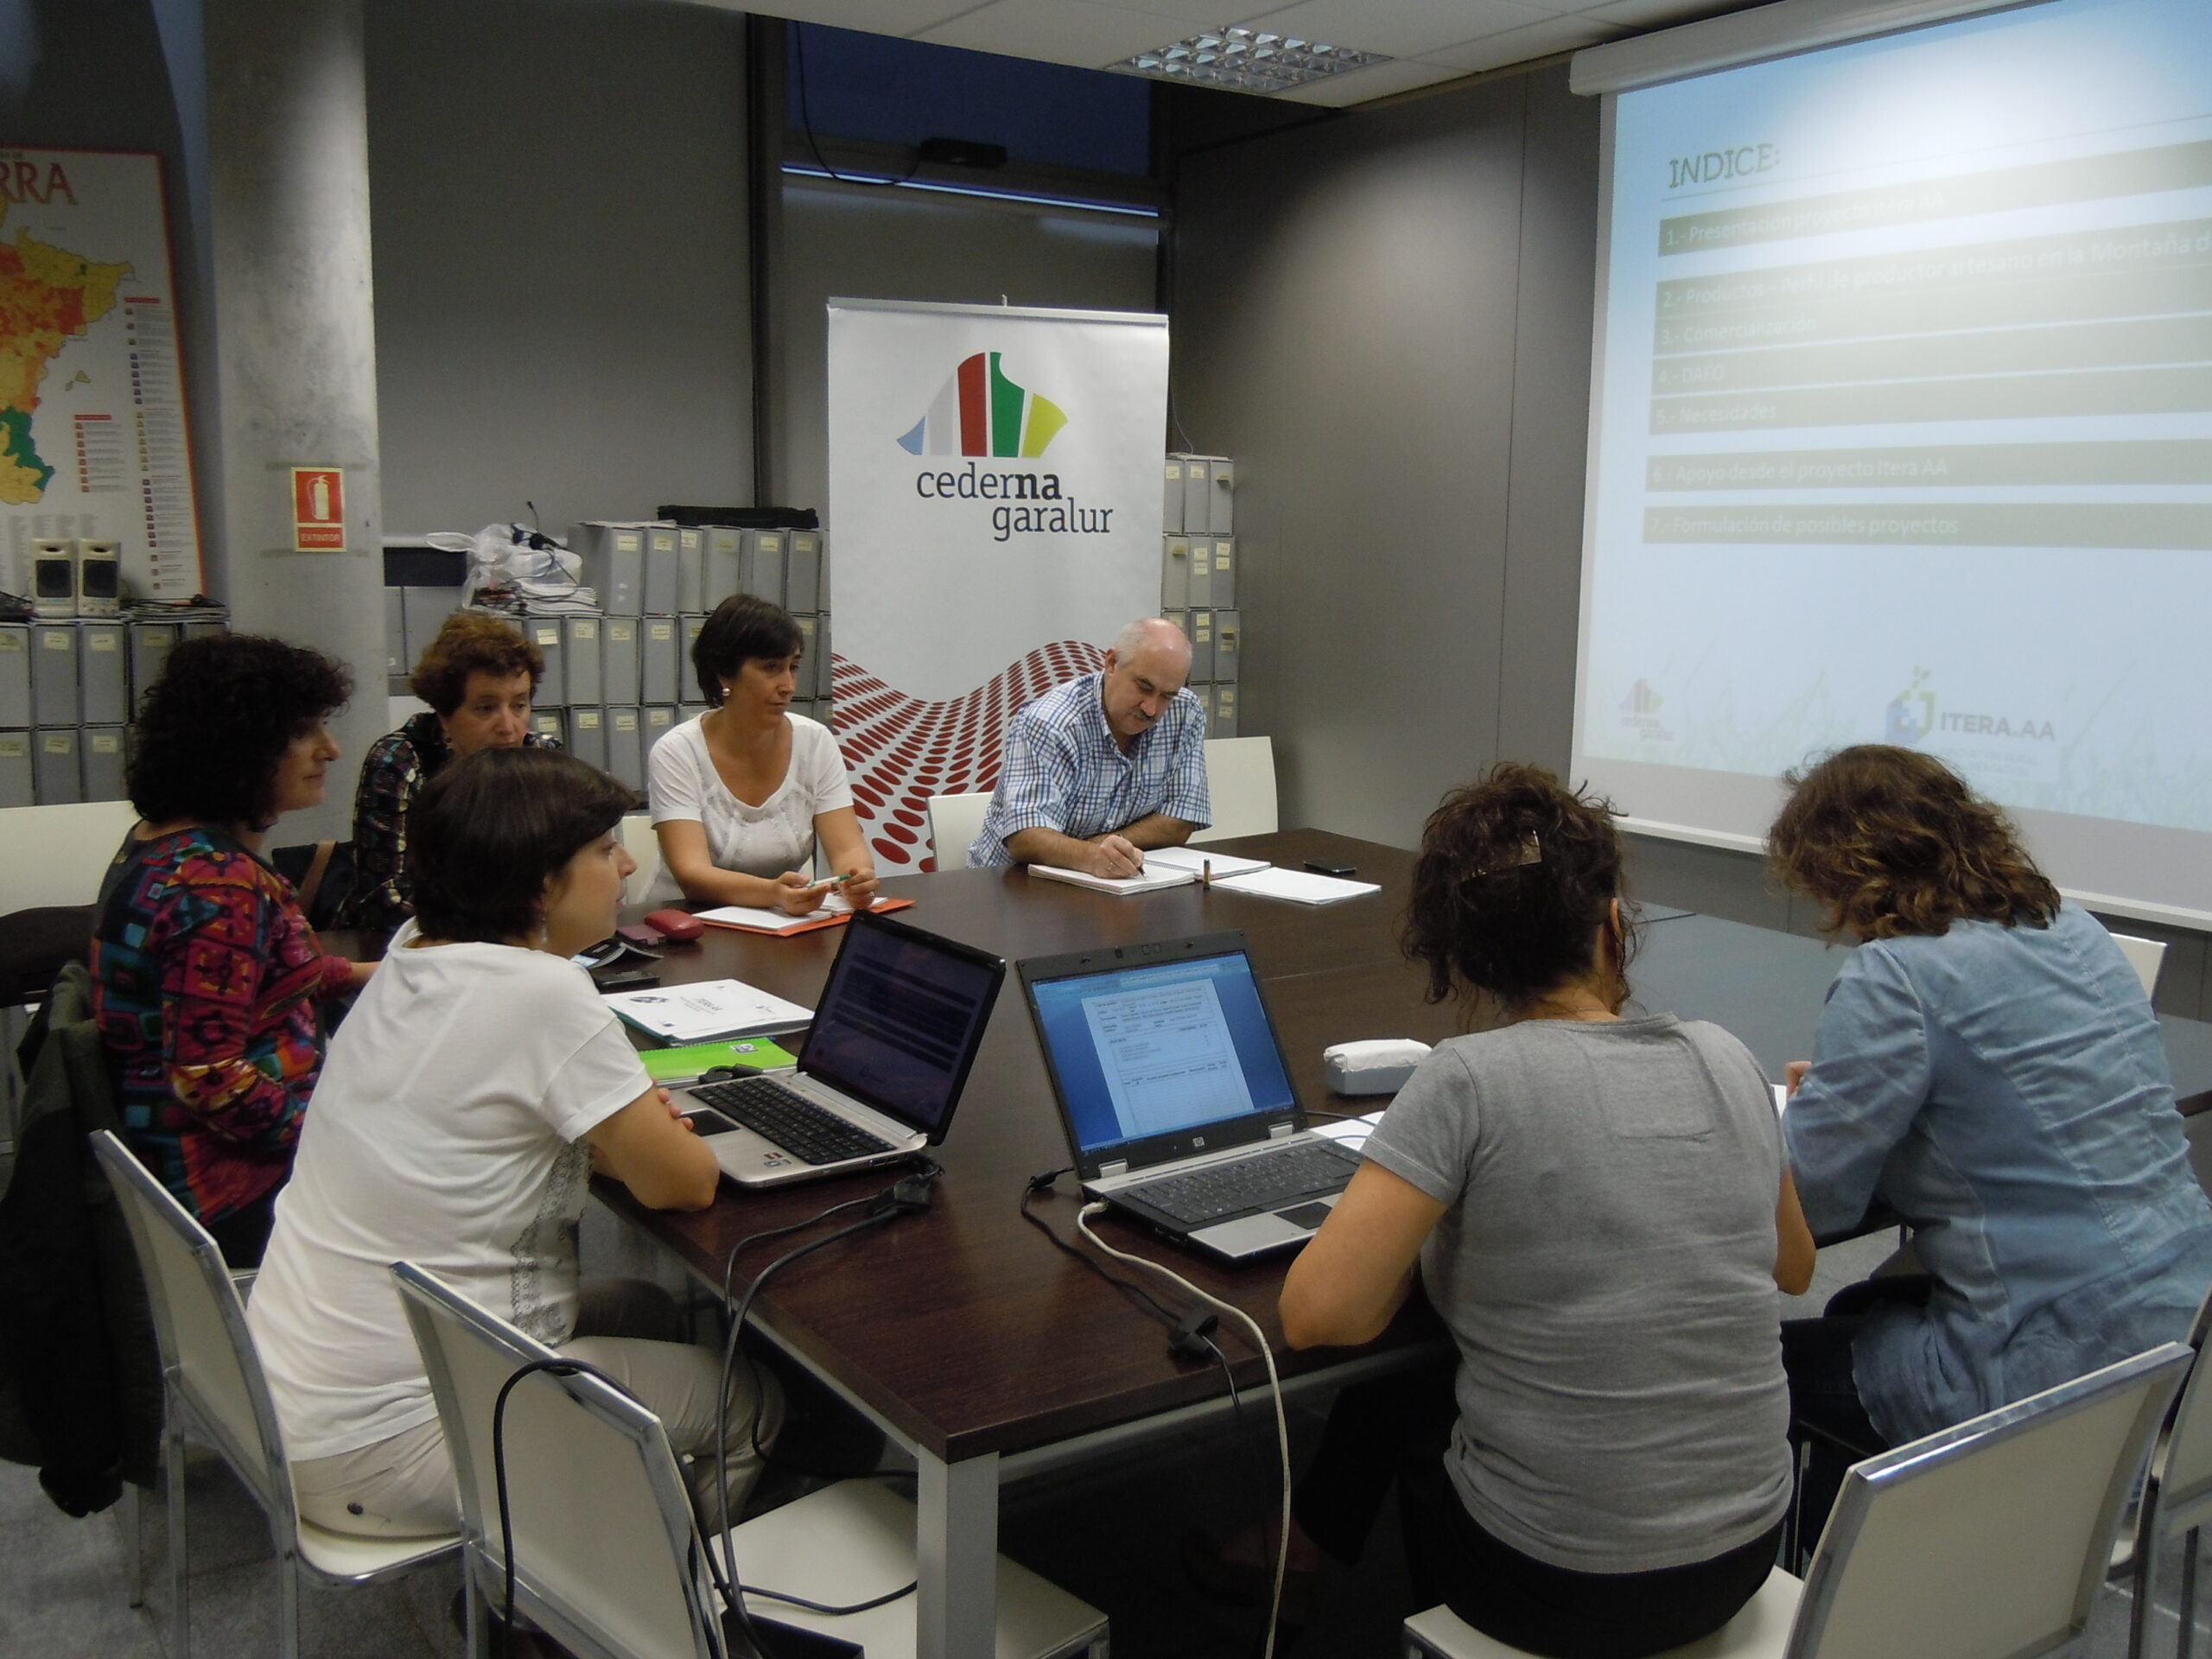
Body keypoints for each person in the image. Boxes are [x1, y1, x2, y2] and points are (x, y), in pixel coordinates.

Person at [1250, 764, 1812, 1658]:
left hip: (1552, 1587)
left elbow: (1318, 1316)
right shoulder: (1726, 1056)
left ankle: (1301, 1562)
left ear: (1468, 959)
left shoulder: (1466, 1081)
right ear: (1613, 926)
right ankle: (1301, 1552)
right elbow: (1796, 1267)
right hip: (1742, 1557)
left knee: (1412, 1381)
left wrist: (1431, 1260)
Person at [246, 747, 779, 1539]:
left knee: (650, 1309)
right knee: (753, 1402)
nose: (628, 865)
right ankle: (631, 1594)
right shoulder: (544, 993)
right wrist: (637, 1131)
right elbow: (684, 1183)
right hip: (395, 1443)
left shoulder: (416, 947)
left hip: (296, 1396)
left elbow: (490, 1119)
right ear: (538, 886)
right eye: (604, 850)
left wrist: (609, 1127)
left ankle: (593, 1520)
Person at [1769, 745, 2212, 1535]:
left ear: (1842, 869)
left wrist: (1820, 1114)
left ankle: (1836, 1589)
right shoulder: (2075, 929)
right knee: (1862, 1307)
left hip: (2063, 1369)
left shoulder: (1895, 977)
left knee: (1765, 1369)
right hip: (2189, 1329)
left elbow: (1814, 1203)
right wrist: (1857, 1101)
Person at [89, 634, 373, 1268]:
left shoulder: (160, 846)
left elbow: (242, 981)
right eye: (304, 732)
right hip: (231, 1192)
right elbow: (209, 1076)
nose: (329, 749)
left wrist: (365, 972)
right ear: (242, 747)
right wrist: (332, 1136)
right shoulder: (217, 883)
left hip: (181, 1168)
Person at [647, 593, 878, 912]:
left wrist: (857, 878)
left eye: (793, 667)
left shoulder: (815, 741)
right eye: (771, 668)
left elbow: (848, 847)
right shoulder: (677, 751)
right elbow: (692, 874)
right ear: (725, 673)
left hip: (784, 920)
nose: (788, 685)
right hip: (690, 921)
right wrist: (773, 894)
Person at [336, 611, 556, 936]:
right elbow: (384, 898)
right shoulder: (400, 761)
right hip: (409, 943)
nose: (508, 727)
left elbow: (569, 870)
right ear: (444, 714)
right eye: (486, 708)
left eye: (519, 705)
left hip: (521, 937)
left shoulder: (542, 756)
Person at [967, 617, 1211, 874]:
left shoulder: (1185, 712)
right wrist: (1093, 855)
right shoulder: (1050, 722)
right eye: (1143, 687)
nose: (1151, 708)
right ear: (1112, 663)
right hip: (1009, 883)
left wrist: (1105, 850)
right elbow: (1026, 839)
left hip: (1113, 880)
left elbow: (1181, 820)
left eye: (1167, 696)